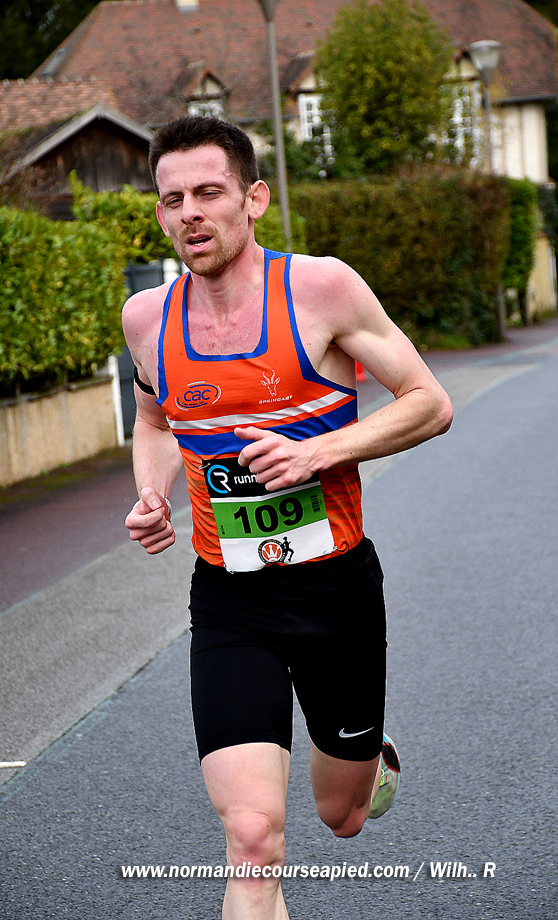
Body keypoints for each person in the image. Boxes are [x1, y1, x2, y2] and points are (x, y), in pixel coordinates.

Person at [123, 115, 453, 919]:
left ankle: (365, 762)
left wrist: (317, 452)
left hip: (335, 592)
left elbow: (428, 402)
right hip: (230, 598)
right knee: (251, 837)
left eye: (209, 192)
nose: (190, 213)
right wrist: (151, 493)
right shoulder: (146, 319)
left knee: (340, 817)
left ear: (254, 198)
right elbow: (156, 421)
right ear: (160, 214)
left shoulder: (320, 289)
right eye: (173, 200)